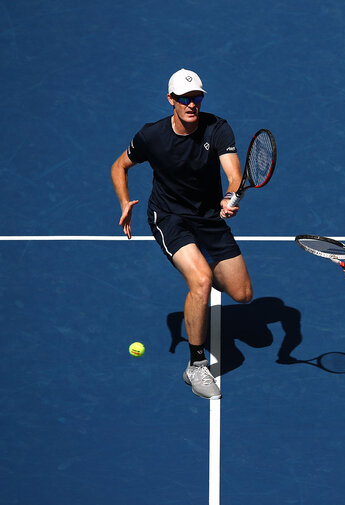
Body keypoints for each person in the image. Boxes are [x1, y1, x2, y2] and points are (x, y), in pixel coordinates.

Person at [111, 68, 253, 400]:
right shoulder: (151, 136)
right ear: (170, 100)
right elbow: (120, 165)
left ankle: (202, 276)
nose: (192, 104)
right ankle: (196, 364)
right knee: (201, 280)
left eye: (197, 98)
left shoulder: (217, 128)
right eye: (184, 99)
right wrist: (124, 203)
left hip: (208, 217)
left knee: (243, 294)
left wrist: (232, 198)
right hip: (169, 216)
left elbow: (234, 176)